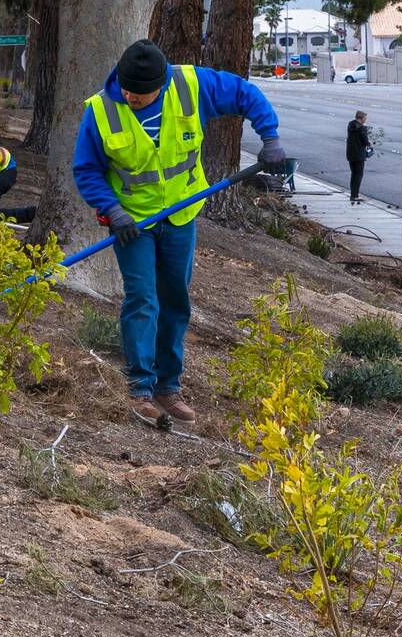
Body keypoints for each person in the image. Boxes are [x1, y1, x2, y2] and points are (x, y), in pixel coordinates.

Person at [72, 39, 286, 427]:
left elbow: (245, 93)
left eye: (139, 93)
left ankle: (168, 387)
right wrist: (113, 210)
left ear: (162, 84)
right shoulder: (101, 111)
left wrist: (269, 137)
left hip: (181, 215)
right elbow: (86, 169)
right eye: (125, 88)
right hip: (132, 223)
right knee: (141, 298)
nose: (129, 96)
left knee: (175, 300)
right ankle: (140, 387)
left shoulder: (191, 86)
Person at [345, 110, 372, 203]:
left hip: (350, 153)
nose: (365, 120)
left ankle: (353, 194)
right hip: (359, 155)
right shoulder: (362, 129)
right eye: (365, 118)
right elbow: (365, 142)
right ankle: (355, 195)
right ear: (361, 118)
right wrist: (370, 143)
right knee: (359, 175)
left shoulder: (350, 125)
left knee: (353, 174)